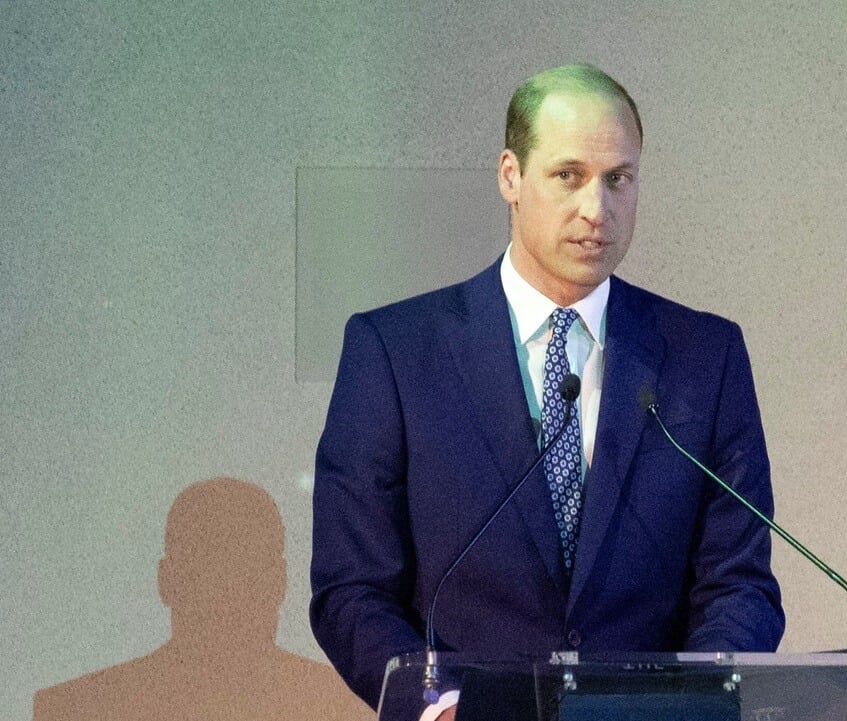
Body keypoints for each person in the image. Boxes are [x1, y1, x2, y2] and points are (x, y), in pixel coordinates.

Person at [309, 63, 784, 720]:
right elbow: (351, 588)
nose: (597, 208)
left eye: (619, 179)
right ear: (511, 176)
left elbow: (741, 585)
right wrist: (435, 705)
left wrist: (693, 704)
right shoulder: (395, 352)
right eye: (569, 176)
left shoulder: (706, 357)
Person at [35, 477, 371, 721]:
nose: (229, 595)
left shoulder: (77, 708)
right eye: (211, 565)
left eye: (244, 568)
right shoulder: (350, 706)